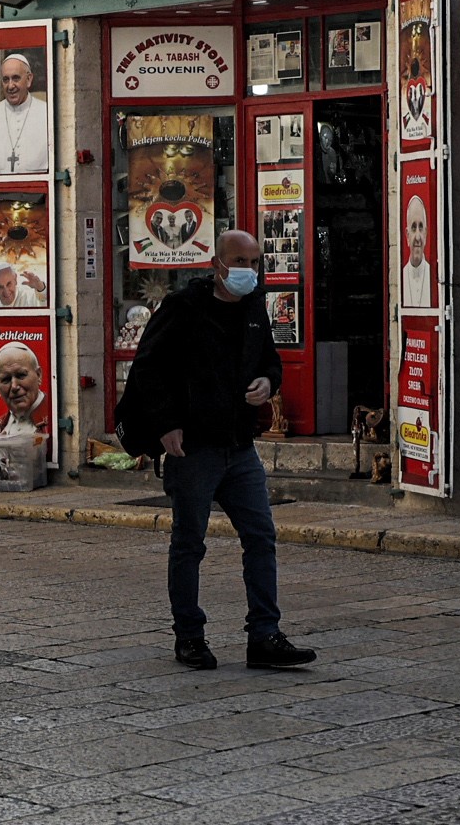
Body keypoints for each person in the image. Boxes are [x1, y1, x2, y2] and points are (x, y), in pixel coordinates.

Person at [117, 229, 316, 672]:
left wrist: (268, 383)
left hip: (239, 446)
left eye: (255, 261)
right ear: (218, 263)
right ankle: (189, 636)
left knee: (261, 537)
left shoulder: (253, 307)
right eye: (240, 261)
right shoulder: (183, 308)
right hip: (194, 448)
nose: (249, 270)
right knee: (189, 544)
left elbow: (270, 360)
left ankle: (264, 635)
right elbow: (148, 370)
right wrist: (166, 426)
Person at [0, 54, 50, 174]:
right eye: (6, 79)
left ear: (28, 79)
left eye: (16, 78)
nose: (10, 86)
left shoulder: (46, 113)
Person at [0, 342, 50, 437]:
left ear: (38, 375)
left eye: (21, 375)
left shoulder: (57, 421)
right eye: (6, 380)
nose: (14, 386)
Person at [400, 195, 433, 308]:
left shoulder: (432, 275)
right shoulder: (401, 276)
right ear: (407, 235)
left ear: (425, 233)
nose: (418, 237)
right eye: (414, 228)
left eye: (421, 227)